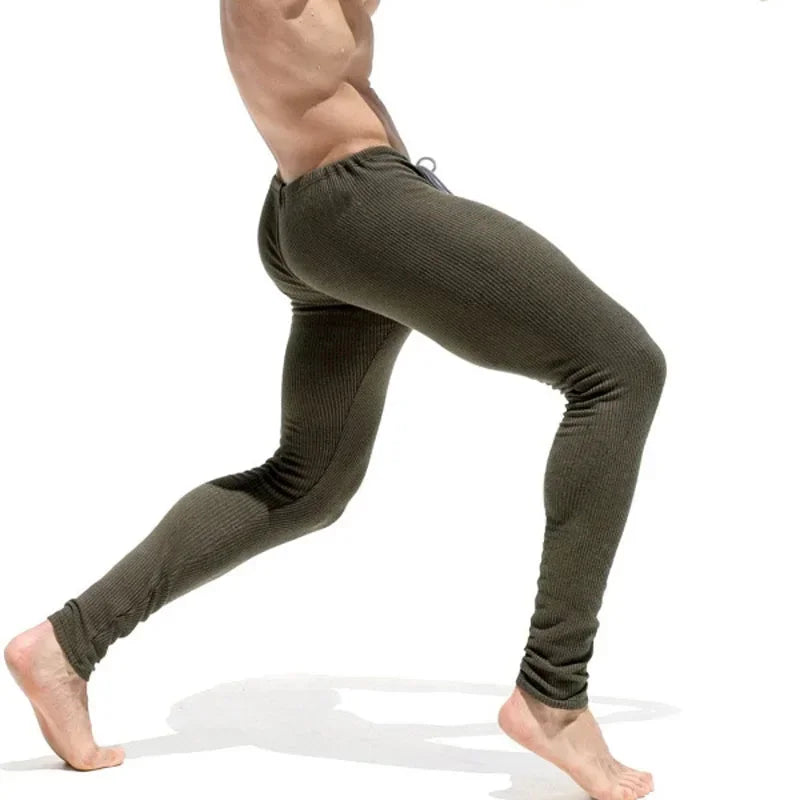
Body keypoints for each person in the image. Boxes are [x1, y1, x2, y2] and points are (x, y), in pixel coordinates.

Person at [4, 2, 664, 797]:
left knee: (307, 482)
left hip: (314, 212)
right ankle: (552, 694)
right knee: (619, 369)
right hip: (359, 210)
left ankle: (64, 644)